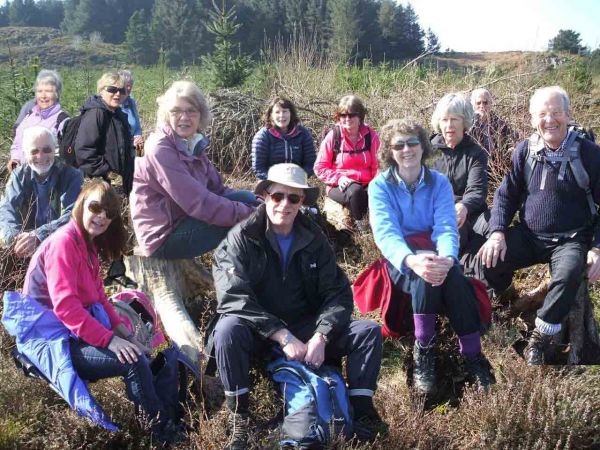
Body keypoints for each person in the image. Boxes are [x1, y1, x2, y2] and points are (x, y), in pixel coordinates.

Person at [209, 163, 386, 449]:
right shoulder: (239, 239)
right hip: (259, 331)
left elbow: (338, 293)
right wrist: (281, 334)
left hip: (307, 326)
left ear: (302, 201)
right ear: (265, 195)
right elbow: (233, 297)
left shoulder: (314, 237)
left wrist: (322, 335)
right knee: (227, 329)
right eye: (279, 196)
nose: (285, 205)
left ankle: (361, 413)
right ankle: (239, 418)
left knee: (367, 332)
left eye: (294, 198)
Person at [21, 179, 185, 443]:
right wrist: (110, 340)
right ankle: (160, 433)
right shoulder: (64, 243)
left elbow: (100, 296)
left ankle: (168, 417)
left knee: (144, 352)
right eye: (95, 207)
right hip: (52, 341)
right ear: (81, 203)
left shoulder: (87, 245)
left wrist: (124, 333)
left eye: (109, 214)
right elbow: (66, 308)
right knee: (131, 361)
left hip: (72, 333)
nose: (101, 217)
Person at [369, 119, 495, 396]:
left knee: (453, 277)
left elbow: (447, 227)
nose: (406, 149)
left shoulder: (439, 183)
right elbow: (386, 234)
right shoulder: (380, 186)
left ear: (423, 146)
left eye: (412, 142)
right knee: (423, 274)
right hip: (400, 258)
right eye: (398, 145)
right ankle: (424, 350)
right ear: (390, 151)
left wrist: (449, 258)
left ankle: (473, 357)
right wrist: (412, 260)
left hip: (437, 252)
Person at [475, 86, 600, 365]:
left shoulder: (589, 154)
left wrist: (597, 247)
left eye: (556, 112)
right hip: (531, 235)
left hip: (571, 239)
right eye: (542, 114)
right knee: (488, 260)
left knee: (568, 276)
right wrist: (497, 233)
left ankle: (541, 338)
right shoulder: (525, 151)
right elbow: (506, 194)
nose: (549, 120)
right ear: (533, 119)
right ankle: (501, 303)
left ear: (568, 115)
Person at [130, 80, 258, 259]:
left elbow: (218, 189)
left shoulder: (191, 143)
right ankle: (253, 277)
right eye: (176, 111)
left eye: (191, 110)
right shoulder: (160, 148)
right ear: (166, 115)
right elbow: (198, 203)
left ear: (200, 115)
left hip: (183, 220)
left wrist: (261, 204)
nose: (184, 117)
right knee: (250, 221)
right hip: (163, 237)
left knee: (248, 198)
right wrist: (252, 213)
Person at [0, 126, 83, 257]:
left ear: (54, 150)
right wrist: (15, 238)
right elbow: (7, 209)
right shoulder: (19, 175)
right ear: (26, 154)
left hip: (59, 245)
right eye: (34, 151)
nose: (40, 156)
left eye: (46, 150)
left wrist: (39, 235)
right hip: (22, 247)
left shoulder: (72, 176)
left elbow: (73, 215)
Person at [431, 92, 489, 254]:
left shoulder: (476, 153)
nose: (449, 125)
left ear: (465, 122)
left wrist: (464, 206)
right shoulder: (425, 151)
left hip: (467, 214)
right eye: (444, 119)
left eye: (454, 119)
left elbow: (477, 190)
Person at [314, 95, 380, 231]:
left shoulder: (371, 136)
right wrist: (339, 178)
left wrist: (376, 183)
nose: (347, 119)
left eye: (352, 115)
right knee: (356, 192)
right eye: (343, 115)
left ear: (360, 116)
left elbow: (377, 164)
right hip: (339, 186)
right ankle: (362, 229)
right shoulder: (334, 136)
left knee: (375, 192)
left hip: (367, 183)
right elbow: (320, 167)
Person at [74, 71, 135, 195]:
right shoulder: (96, 113)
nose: (118, 94)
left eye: (122, 91)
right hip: (100, 185)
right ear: (101, 90)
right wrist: (107, 173)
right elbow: (84, 151)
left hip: (118, 185)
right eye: (112, 89)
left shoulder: (117, 114)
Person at [8, 69, 68, 171]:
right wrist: (15, 158)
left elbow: (63, 157)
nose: (43, 96)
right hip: (23, 176)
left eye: (48, 91)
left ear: (57, 94)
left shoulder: (62, 121)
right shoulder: (30, 115)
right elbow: (18, 141)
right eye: (40, 91)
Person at [251, 97, 316, 180]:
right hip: (269, 181)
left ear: (291, 113)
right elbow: (259, 168)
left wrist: (299, 178)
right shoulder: (263, 136)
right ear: (271, 115)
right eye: (277, 112)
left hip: (297, 180)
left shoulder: (303, 133)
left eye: (285, 111)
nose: (281, 115)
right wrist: (276, 181)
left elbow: (310, 163)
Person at [469, 88, 517, 156]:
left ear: (490, 104)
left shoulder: (499, 123)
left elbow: (513, 135)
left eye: (485, 103)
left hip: (496, 162)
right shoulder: (469, 125)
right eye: (478, 103)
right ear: (473, 105)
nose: (482, 106)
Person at [118, 69, 144, 151]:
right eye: (126, 85)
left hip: (132, 148)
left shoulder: (131, 102)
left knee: (140, 148)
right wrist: (130, 142)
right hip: (118, 151)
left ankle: (140, 162)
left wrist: (138, 138)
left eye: (131, 85)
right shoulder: (113, 104)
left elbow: (138, 128)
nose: (129, 88)